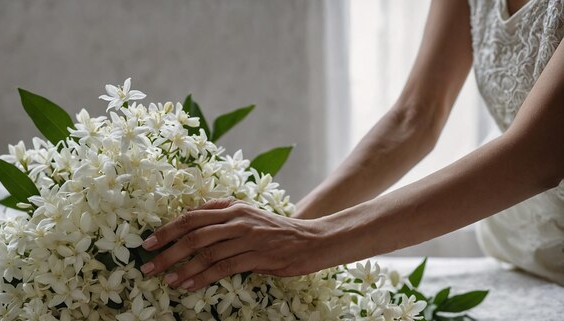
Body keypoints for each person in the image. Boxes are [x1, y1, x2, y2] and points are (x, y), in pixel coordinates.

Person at [140, 0, 564, 290]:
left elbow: (538, 153)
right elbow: (415, 117)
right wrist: (279, 234)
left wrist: (314, 241)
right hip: (527, 237)